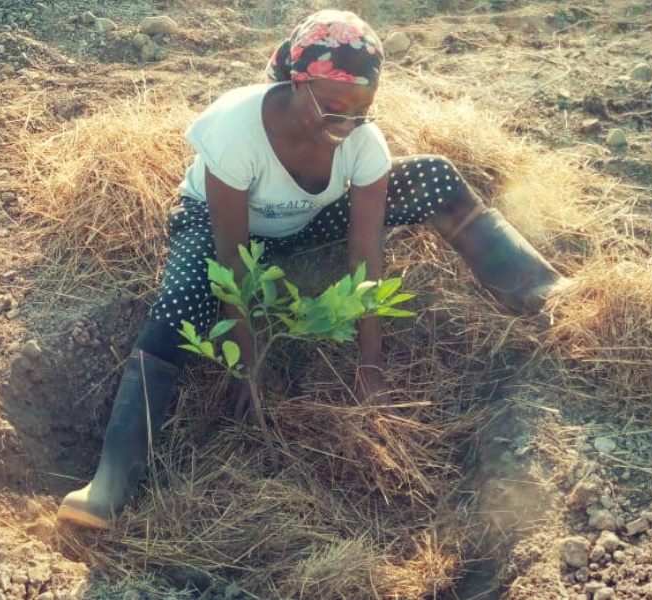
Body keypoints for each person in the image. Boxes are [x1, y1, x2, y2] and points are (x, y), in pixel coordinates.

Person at [58, 10, 566, 528]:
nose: (345, 127)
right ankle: (113, 479)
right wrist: (245, 359)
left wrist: (370, 365)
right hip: (219, 227)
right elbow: (233, 258)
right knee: (183, 300)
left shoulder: (361, 143)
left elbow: (365, 253)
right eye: (334, 109)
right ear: (298, 82)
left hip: (305, 225)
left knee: (434, 177)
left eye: (361, 112)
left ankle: (542, 291)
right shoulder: (235, 130)